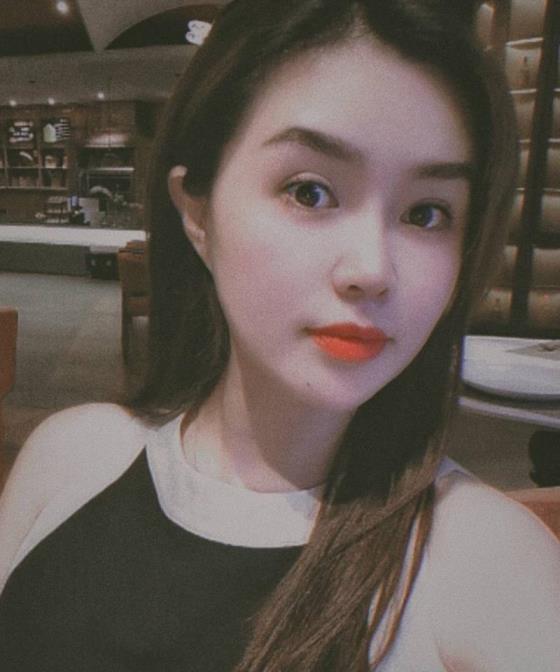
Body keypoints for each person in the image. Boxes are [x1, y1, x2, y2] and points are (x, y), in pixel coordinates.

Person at [0, 0, 559, 670]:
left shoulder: (486, 565)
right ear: (197, 213)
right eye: (310, 192)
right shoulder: (70, 459)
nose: (372, 269)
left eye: (426, 213)